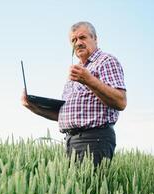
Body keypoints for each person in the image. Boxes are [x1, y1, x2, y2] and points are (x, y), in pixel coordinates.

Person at [21, 21, 127, 166]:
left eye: (82, 37)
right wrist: (34, 107)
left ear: (95, 38)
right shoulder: (76, 70)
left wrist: (89, 80)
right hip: (71, 141)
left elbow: (120, 102)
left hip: (94, 140)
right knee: (76, 187)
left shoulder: (106, 61)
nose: (78, 43)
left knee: (89, 186)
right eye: (74, 40)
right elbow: (66, 116)